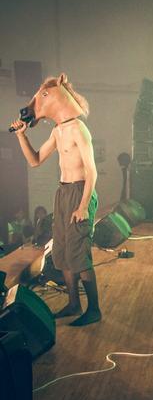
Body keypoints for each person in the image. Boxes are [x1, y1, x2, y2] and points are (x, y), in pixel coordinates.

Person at [10, 73, 101, 326]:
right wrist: (21, 135)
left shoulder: (79, 129)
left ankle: (94, 310)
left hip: (80, 192)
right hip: (63, 193)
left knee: (79, 255)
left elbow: (92, 171)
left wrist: (84, 206)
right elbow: (35, 160)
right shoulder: (58, 131)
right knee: (61, 253)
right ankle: (73, 304)